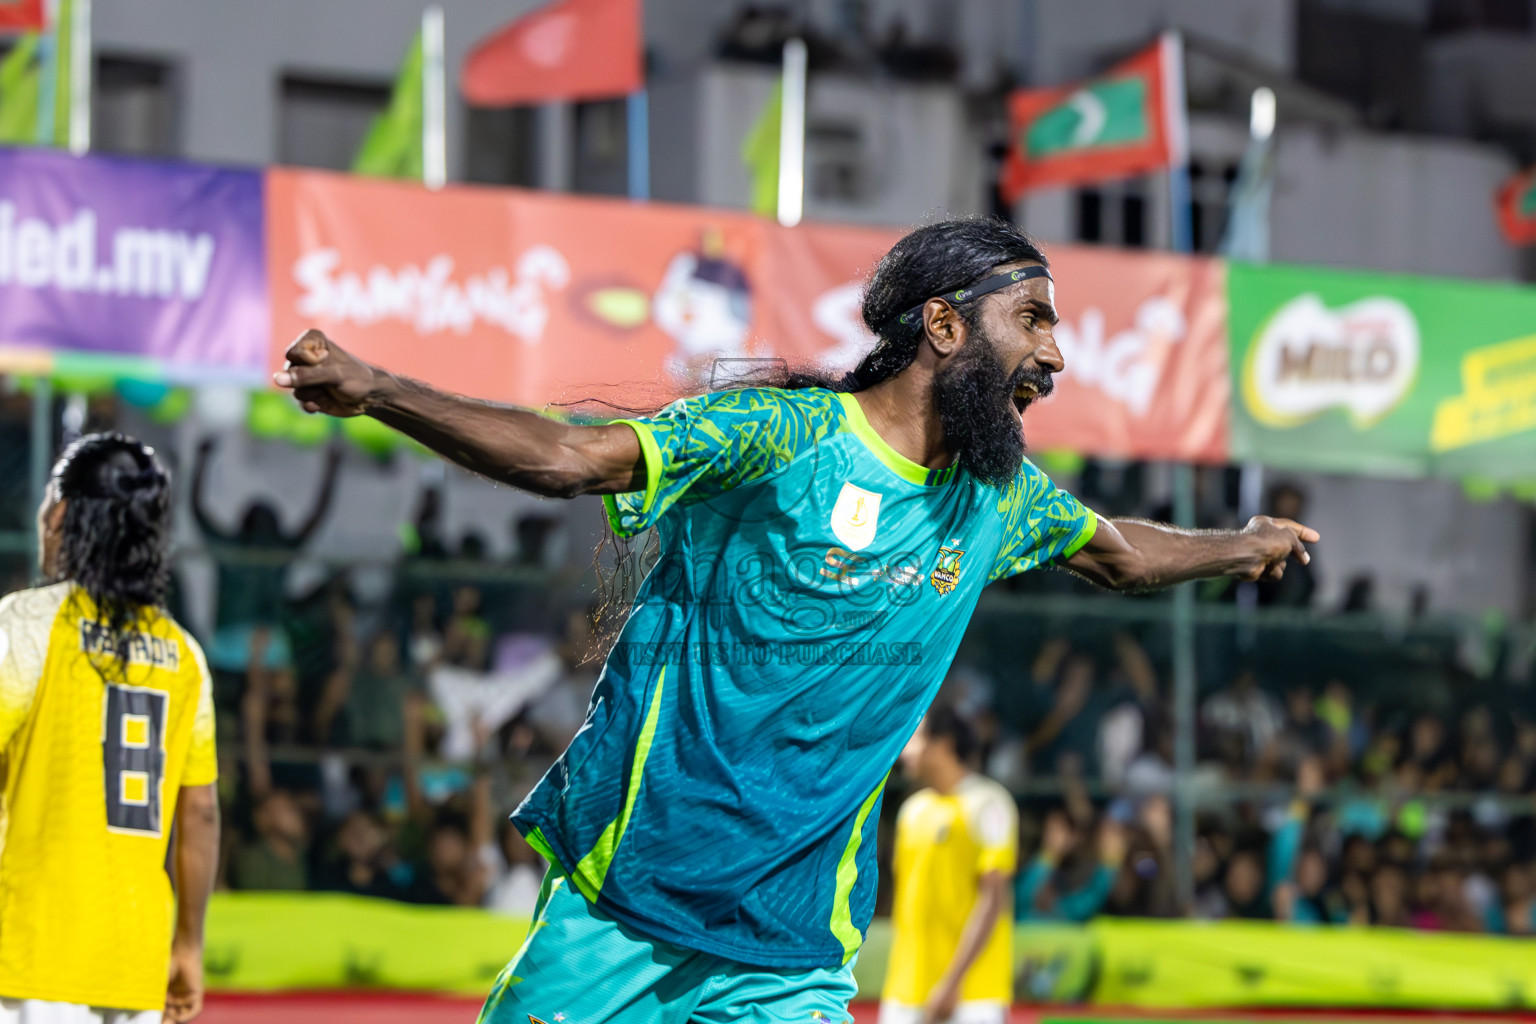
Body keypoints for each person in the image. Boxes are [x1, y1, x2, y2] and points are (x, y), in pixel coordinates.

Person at [275, 218, 1318, 1024]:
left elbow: (1122, 553)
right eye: (1033, 319)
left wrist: (1244, 543)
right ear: (945, 326)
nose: (1055, 353)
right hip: (626, 903)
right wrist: (376, 391)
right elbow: (570, 458)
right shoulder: (782, 436)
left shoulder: (1001, 498)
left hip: (796, 951)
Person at [0, 434, 219, 1023]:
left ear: (63, 513)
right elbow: (198, 814)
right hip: (135, 960)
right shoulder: (183, 654)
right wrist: (189, 945)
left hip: (29, 952)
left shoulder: (25, 625)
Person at [882, 707, 1017, 1024]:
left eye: (915, 737)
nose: (904, 749)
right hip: (906, 991)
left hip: (972, 996)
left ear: (942, 744)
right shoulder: (912, 812)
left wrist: (952, 982)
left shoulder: (989, 803)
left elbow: (994, 897)